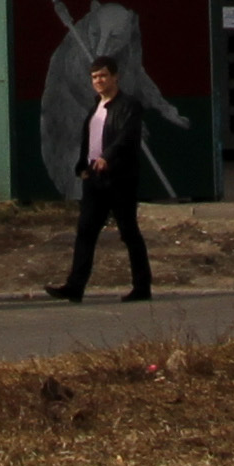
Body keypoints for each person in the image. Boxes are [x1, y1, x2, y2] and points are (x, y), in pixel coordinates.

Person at [49, 57, 154, 304]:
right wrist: (82, 167)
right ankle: (75, 287)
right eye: (95, 77)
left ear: (115, 77)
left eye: (103, 76)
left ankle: (142, 286)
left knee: (128, 232)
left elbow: (127, 137)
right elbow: (89, 141)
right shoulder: (95, 107)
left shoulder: (129, 105)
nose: (99, 81)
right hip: (95, 179)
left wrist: (108, 157)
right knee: (85, 231)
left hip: (120, 179)